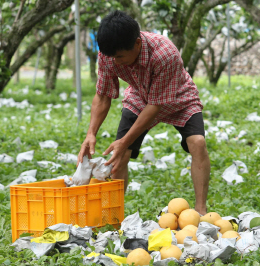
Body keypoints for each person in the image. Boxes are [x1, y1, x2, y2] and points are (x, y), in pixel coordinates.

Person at [77, 11, 210, 215]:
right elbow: (103, 95)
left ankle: (200, 211)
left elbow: (156, 106)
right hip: (140, 95)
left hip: (179, 96)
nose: (116, 62)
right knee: (119, 157)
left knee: (198, 143)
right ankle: (114, 215)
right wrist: (91, 133)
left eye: (120, 56)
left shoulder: (165, 53)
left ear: (138, 44)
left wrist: (125, 141)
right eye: (112, 57)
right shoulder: (108, 55)